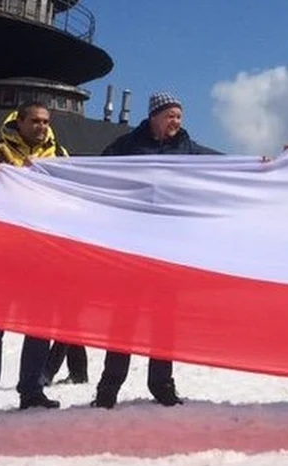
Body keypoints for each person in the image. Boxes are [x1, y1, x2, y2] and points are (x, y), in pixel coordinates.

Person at [92, 92, 220, 409]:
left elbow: (225, 165)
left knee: (165, 321)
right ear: (154, 116)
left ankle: (161, 383)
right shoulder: (127, 147)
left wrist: (261, 164)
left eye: (179, 116)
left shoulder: (188, 150)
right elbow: (93, 170)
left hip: (168, 250)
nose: (176, 121)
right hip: (131, 249)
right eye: (170, 115)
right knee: (124, 320)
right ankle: (109, 387)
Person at [0, 101, 65, 414]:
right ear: (19, 122)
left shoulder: (61, 156)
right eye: (35, 121)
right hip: (3, 252)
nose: (41, 127)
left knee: (39, 326)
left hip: (42, 253)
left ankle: (32, 389)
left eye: (46, 122)